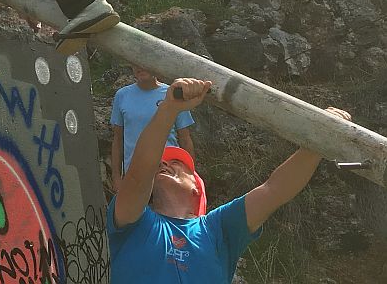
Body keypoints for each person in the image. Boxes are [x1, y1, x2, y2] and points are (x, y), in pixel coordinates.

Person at [107, 77, 352, 283]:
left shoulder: (217, 229)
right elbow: (138, 175)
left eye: (177, 163)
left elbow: (274, 190)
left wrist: (318, 143)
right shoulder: (132, 223)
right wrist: (169, 109)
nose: (164, 164)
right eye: (161, 163)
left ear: (196, 189)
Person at [110, 65, 195, 193]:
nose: (139, 67)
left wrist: (191, 176)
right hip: (134, 178)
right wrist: (116, 178)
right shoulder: (122, 96)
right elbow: (118, 140)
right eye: (135, 63)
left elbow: (185, 138)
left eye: (143, 62)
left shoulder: (173, 95)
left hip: (169, 175)